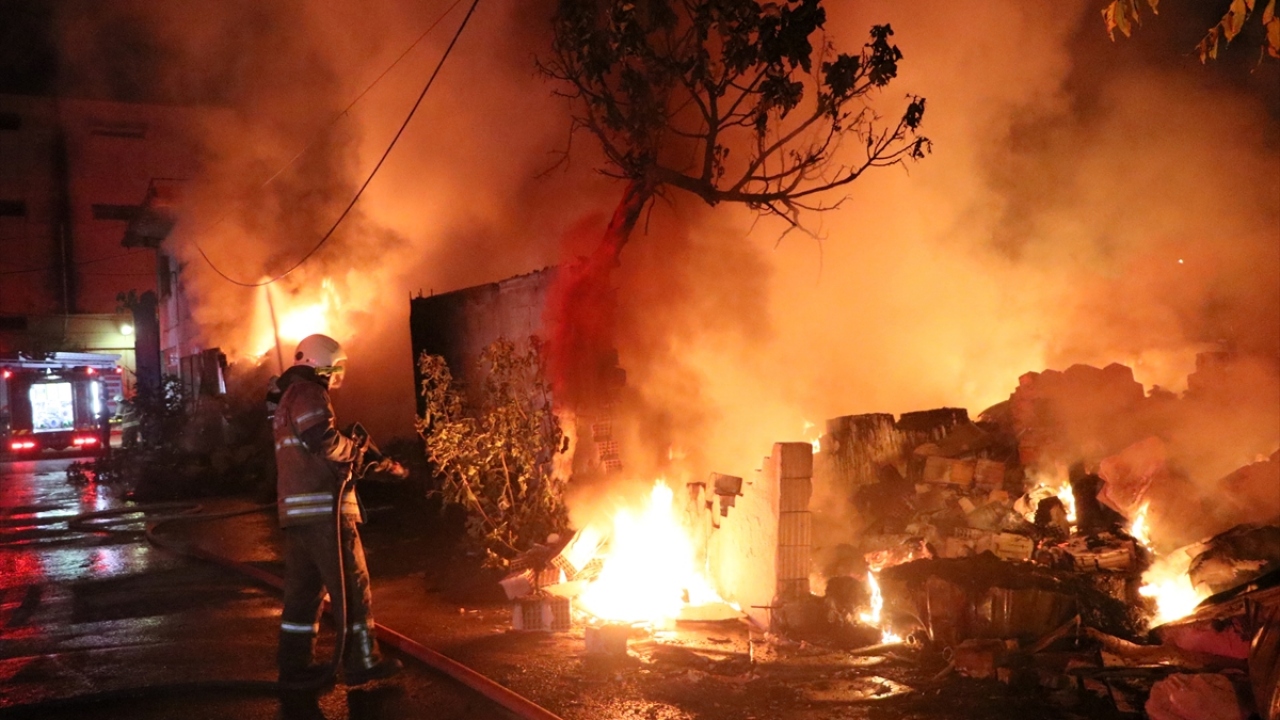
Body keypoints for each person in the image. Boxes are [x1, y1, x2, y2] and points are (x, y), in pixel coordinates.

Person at [271, 333, 405, 686]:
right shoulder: (311, 393)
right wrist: (357, 452)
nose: (335, 377)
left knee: (303, 594)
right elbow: (324, 441)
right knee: (351, 585)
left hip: (298, 515)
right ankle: (362, 662)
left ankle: (295, 666)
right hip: (325, 514)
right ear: (319, 364)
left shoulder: (287, 398)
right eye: (334, 369)